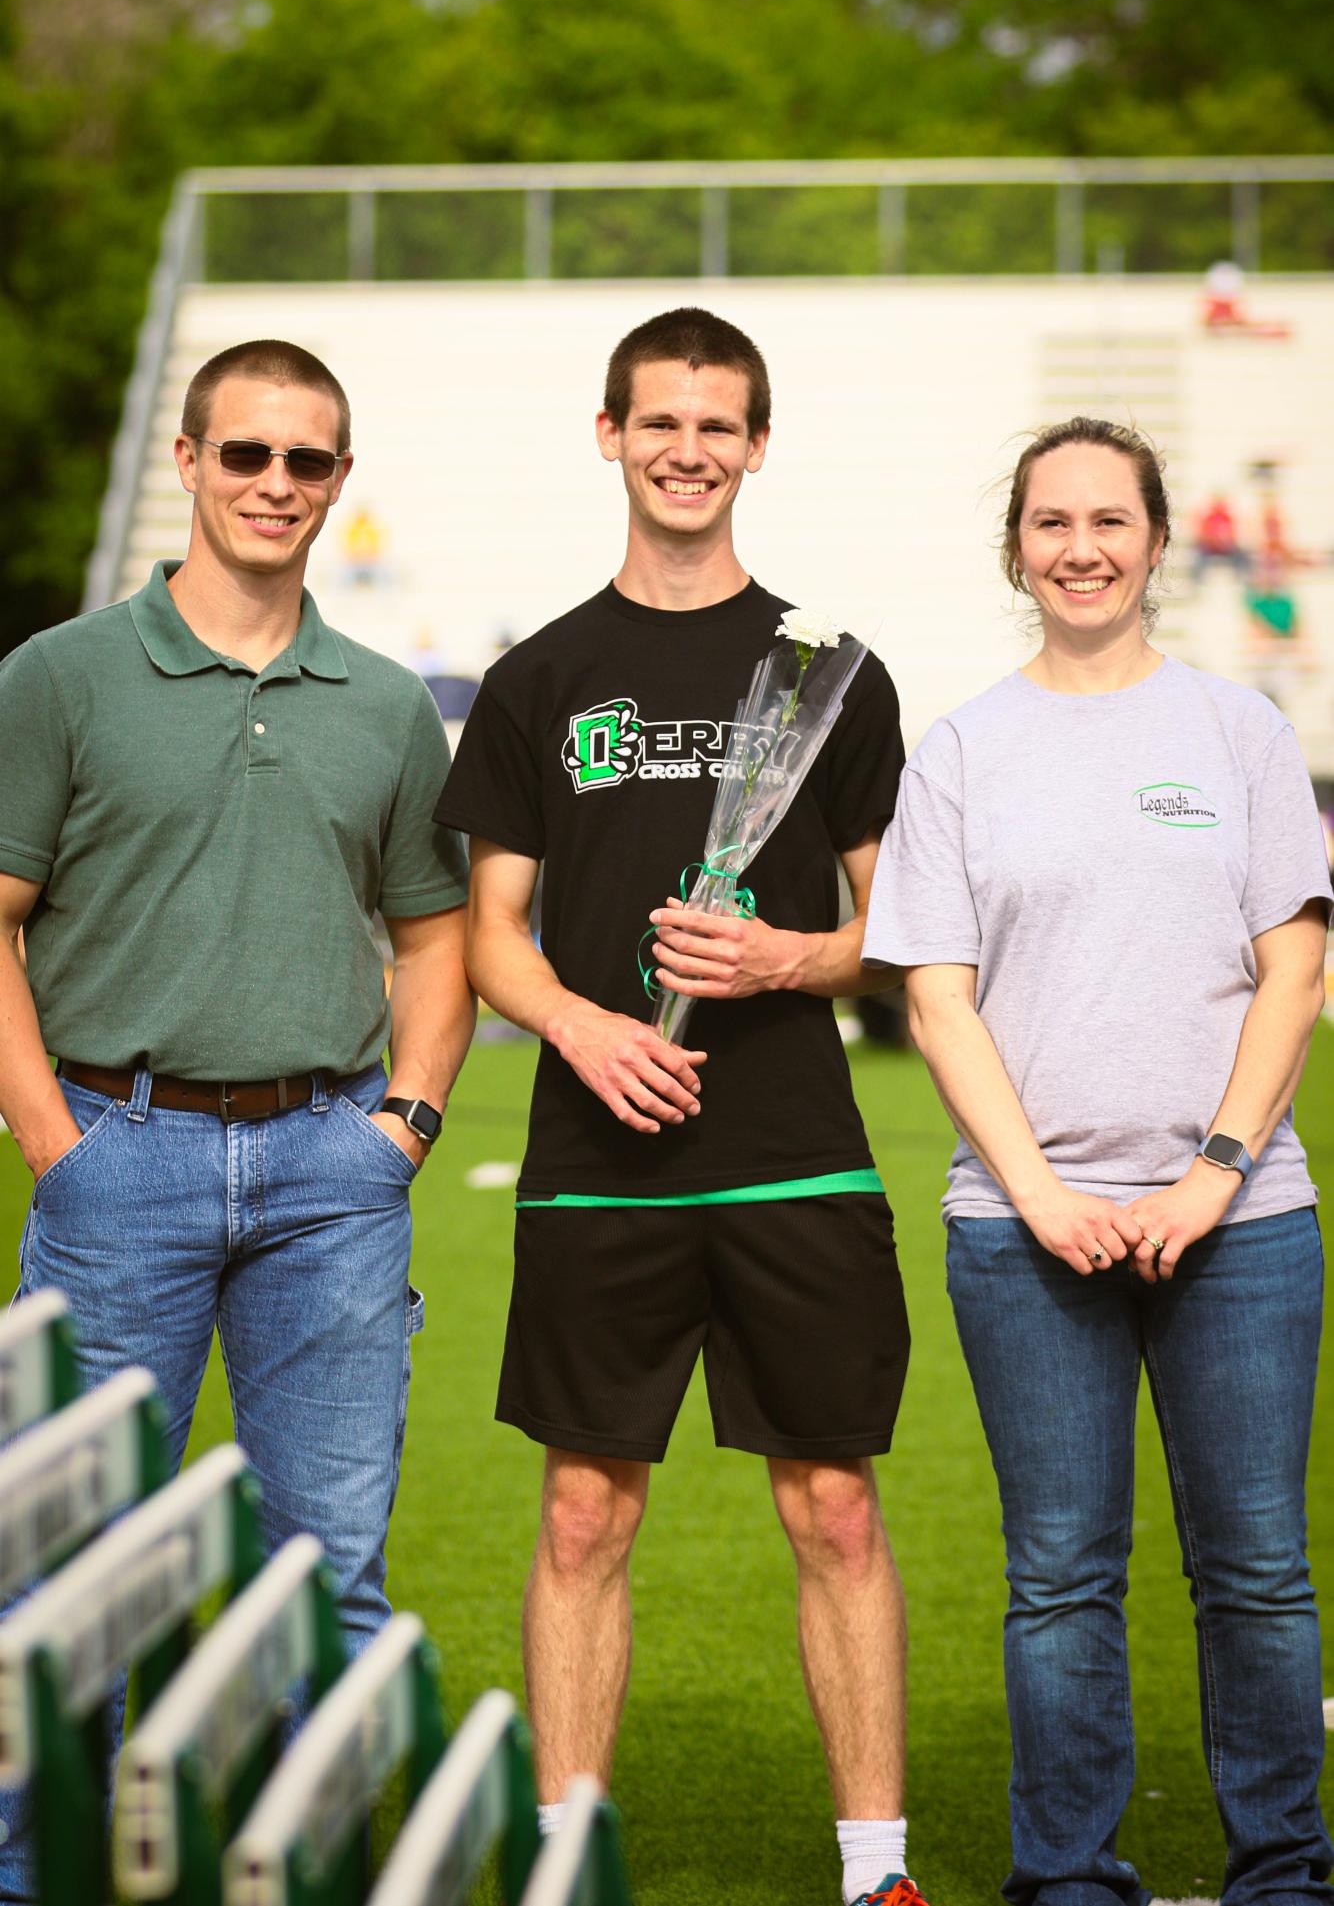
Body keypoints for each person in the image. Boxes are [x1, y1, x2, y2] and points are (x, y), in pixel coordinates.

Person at [435, 307, 928, 1906]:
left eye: (719, 424)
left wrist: (788, 958)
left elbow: (903, 937)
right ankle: (572, 1858)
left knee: (836, 1504)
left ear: (758, 447)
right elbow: (487, 935)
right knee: (582, 1509)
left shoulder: (830, 673)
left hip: (793, 1150)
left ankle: (875, 1871)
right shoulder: (536, 677)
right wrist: (584, 1030)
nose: (688, 448)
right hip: (599, 1149)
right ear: (608, 435)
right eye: (660, 420)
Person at [0, 339, 473, 1896]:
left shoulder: (388, 705)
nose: (278, 484)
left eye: (310, 460)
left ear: (340, 482)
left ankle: (312, 1872)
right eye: (249, 454)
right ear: (191, 463)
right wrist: (55, 1144)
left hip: (334, 1172)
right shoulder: (58, 677)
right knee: (76, 1582)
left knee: (326, 1565)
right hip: (114, 1155)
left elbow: (431, 936)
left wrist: (401, 1125)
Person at [863, 416, 1332, 1906]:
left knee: (1253, 1569)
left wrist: (1207, 1172)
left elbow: (1294, 968)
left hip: (1240, 1222)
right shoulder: (961, 750)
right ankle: (1065, 1878)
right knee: (1060, 1577)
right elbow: (933, 993)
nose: (1080, 546)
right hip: (1021, 1230)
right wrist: (1042, 1195)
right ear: (1017, 546)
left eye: (1107, 520)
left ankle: (1280, 1870)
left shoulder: (1237, 729)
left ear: (1151, 540)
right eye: (1051, 522)